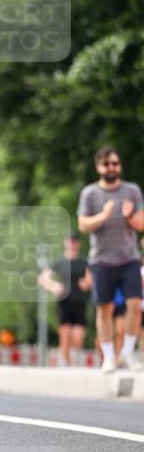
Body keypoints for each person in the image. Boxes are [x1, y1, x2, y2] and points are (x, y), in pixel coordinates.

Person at [78, 146, 144, 372]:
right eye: (107, 164)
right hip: (101, 261)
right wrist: (103, 216)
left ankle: (126, 353)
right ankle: (108, 356)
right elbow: (83, 225)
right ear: (98, 167)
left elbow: (142, 224)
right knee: (103, 309)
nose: (111, 167)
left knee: (135, 305)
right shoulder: (90, 193)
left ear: (120, 166)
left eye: (115, 163)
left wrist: (129, 216)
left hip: (129, 258)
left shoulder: (132, 191)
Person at [37, 233, 90, 365]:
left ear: (78, 244)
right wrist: (54, 286)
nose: (72, 244)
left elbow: (93, 278)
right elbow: (42, 278)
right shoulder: (59, 262)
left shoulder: (84, 262)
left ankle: (70, 355)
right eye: (70, 241)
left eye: (75, 241)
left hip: (80, 302)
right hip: (64, 302)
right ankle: (65, 363)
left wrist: (87, 283)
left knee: (78, 338)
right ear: (65, 243)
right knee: (65, 336)